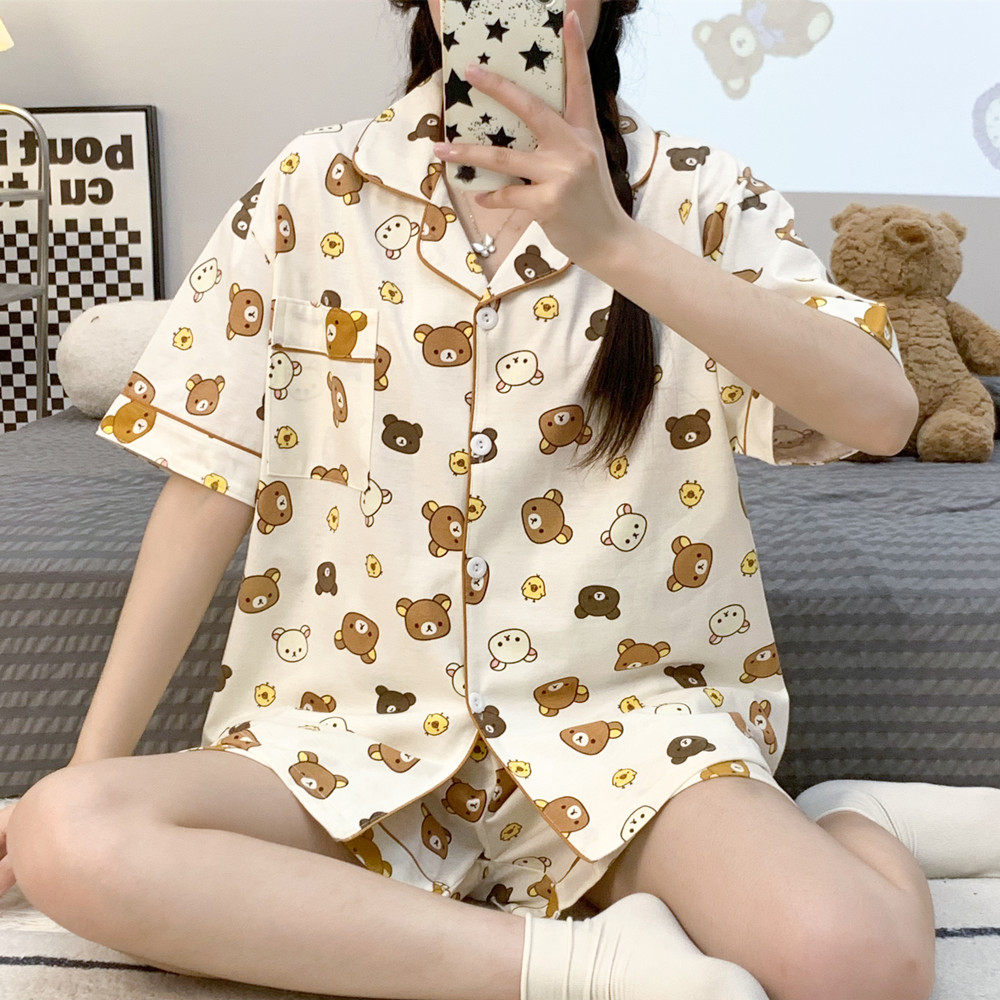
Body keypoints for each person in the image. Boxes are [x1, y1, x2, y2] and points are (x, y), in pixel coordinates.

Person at [7, 2, 998, 999]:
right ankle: (589, 968)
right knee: (68, 831)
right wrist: (88, 769)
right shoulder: (310, 186)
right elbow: (205, 486)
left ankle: (852, 817)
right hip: (341, 734)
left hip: (623, 732)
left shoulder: (697, 192)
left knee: (861, 967)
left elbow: (879, 412)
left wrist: (614, 242)